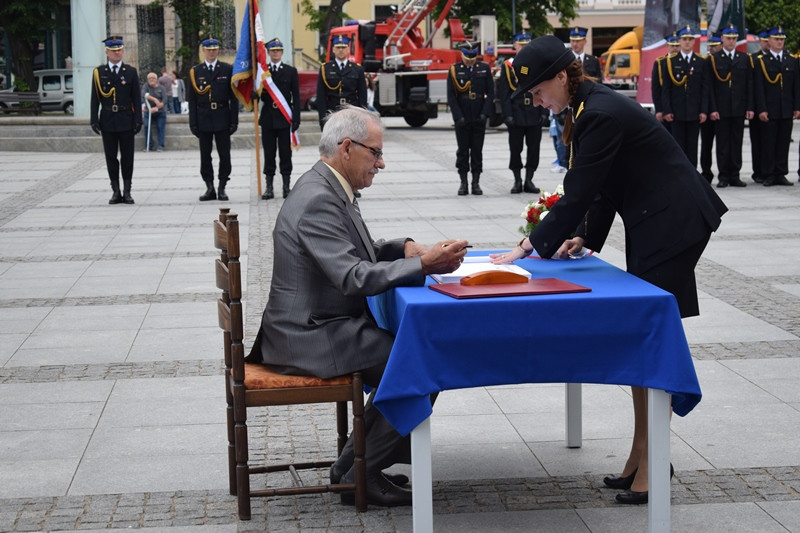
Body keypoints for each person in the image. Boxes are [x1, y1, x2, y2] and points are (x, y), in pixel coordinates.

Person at [490, 35, 727, 505]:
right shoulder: (586, 107)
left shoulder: (595, 112)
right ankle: (644, 451)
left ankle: (653, 458)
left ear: (562, 76)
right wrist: (585, 237)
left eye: (538, 91)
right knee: (644, 339)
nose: (537, 102)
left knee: (651, 339)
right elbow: (601, 186)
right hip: (654, 221)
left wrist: (528, 246)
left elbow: (579, 190)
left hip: (673, 223)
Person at [246, 105, 469, 506]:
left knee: (412, 355)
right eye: (375, 153)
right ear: (346, 148)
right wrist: (422, 264)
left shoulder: (327, 185)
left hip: (318, 322)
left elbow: (352, 252)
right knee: (419, 361)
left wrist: (402, 248)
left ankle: (352, 467)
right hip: (307, 332)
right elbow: (352, 276)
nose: (381, 163)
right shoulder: (319, 198)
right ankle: (361, 473)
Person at [89, 36, 142, 205]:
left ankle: (127, 191)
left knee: (127, 157)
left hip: (126, 119)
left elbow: (136, 97)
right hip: (108, 120)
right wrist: (93, 119)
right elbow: (94, 98)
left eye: (119, 50)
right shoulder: (99, 73)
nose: (117, 53)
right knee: (111, 157)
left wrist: (138, 120)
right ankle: (115, 191)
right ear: (107, 52)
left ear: (123, 51)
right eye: (113, 50)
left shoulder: (131, 72)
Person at [188, 37, 239, 201]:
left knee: (225, 155)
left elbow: (234, 98)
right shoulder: (196, 71)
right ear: (203, 50)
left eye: (214, 49)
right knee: (205, 155)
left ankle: (222, 186)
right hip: (203, 118)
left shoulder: (226, 69)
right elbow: (192, 100)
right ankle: (209, 186)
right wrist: (193, 122)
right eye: (208, 49)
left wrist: (234, 120)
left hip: (222, 117)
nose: (211, 52)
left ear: (218, 50)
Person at [752, 26, 800, 187]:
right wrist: (762, 108)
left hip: (785, 108)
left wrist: (796, 107)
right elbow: (758, 88)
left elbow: (796, 87)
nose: (779, 42)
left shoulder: (791, 60)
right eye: (776, 39)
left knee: (783, 142)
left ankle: (781, 172)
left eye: (781, 39)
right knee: (768, 143)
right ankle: (769, 173)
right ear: (769, 41)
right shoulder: (762, 62)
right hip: (770, 109)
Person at [446, 41, 494, 195]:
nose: (469, 61)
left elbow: (491, 93)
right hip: (463, 115)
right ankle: (463, 182)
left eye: (472, 58)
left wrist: (484, 114)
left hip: (478, 114)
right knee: (462, 151)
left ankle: (476, 182)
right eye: (467, 57)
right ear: (462, 54)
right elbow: (451, 96)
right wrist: (457, 116)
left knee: (477, 151)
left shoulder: (484, 68)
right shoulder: (454, 70)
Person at [497, 32, 542, 194]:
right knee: (515, 149)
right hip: (516, 113)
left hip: (534, 111)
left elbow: (542, 89)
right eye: (520, 44)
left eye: (526, 44)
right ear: (514, 46)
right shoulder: (508, 66)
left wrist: (542, 112)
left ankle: (529, 179)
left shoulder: (536, 64)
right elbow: (504, 93)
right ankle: (517, 180)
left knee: (534, 148)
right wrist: (507, 114)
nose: (523, 47)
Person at [706, 25, 750, 188]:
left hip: (738, 107)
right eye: (728, 38)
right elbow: (710, 86)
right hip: (721, 109)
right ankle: (723, 175)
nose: (731, 41)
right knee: (723, 144)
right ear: (722, 39)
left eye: (734, 38)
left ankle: (735, 175)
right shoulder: (714, 58)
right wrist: (713, 108)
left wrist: (749, 107)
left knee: (737, 143)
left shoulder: (744, 58)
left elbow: (748, 85)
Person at [661, 25, 709, 169]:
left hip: (694, 112)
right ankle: (680, 173)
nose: (687, 42)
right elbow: (666, 89)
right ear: (680, 41)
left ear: (694, 42)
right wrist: (667, 110)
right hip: (677, 111)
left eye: (690, 39)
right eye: (684, 39)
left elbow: (704, 88)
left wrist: (703, 110)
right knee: (678, 145)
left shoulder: (701, 61)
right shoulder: (671, 62)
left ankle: (692, 173)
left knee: (693, 147)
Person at [259, 37, 300, 200]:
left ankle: (286, 186)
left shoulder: (290, 71)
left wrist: (296, 119)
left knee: (285, 154)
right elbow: (260, 95)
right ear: (268, 53)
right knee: (269, 154)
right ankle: (269, 187)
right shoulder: (263, 72)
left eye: (278, 50)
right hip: (268, 118)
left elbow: (295, 97)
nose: (275, 53)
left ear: (282, 52)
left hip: (284, 119)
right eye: (272, 51)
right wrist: (256, 93)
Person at [316, 35, 368, 130]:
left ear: (348, 49)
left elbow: (362, 96)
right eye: (338, 47)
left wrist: (363, 118)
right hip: (332, 112)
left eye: (343, 47)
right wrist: (322, 120)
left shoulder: (357, 69)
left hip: (352, 112)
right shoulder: (325, 69)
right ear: (333, 49)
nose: (341, 50)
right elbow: (321, 97)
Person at [748, 30, 770, 184]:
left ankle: (771, 170)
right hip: (757, 107)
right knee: (758, 142)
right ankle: (759, 171)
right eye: (765, 40)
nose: (767, 43)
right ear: (759, 42)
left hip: (775, 107)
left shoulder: (784, 58)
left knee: (771, 142)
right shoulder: (753, 59)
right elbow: (752, 86)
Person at [699, 34, 722, 183]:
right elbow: (705, 88)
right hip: (707, 110)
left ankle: (724, 173)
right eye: (710, 46)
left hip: (721, 110)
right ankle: (706, 172)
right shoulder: (705, 62)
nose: (712, 48)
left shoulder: (722, 60)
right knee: (706, 145)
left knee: (722, 145)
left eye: (714, 46)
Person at [651, 32, 680, 131]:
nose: (675, 48)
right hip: (665, 106)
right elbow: (656, 88)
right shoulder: (660, 63)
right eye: (672, 45)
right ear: (667, 46)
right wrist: (659, 109)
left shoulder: (685, 62)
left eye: (677, 45)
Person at [142, 72, 167, 152]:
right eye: (149, 78)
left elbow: (165, 100)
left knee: (160, 126)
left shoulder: (161, 88)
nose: (151, 80)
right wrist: (155, 99)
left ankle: (161, 145)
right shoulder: (146, 86)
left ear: (156, 79)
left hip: (160, 111)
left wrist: (157, 108)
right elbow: (144, 95)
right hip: (148, 110)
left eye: (153, 78)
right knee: (146, 125)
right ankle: (149, 145)